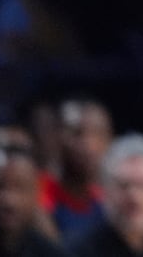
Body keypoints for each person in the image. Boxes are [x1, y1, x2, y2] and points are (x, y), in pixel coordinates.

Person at [40, 100, 111, 241]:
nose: (88, 144)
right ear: (56, 137)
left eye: (98, 133)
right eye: (77, 133)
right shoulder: (36, 193)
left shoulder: (110, 200)